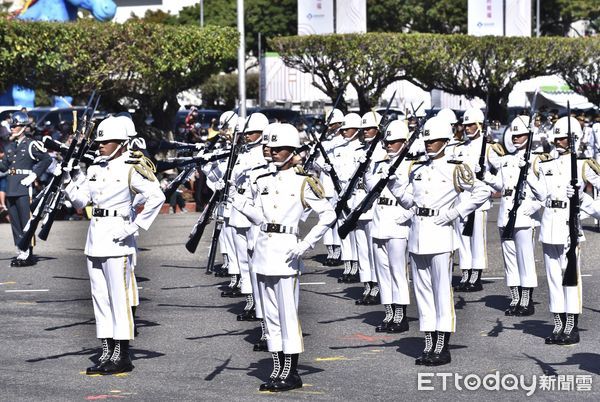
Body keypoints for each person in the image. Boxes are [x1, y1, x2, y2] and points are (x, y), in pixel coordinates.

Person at [231, 123, 335, 392]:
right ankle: (277, 368)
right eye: (269, 147)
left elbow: (328, 215)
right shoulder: (262, 180)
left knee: (287, 315)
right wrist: (237, 200)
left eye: (277, 148)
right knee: (269, 317)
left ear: (291, 151)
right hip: (264, 251)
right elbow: (260, 218)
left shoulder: (303, 182)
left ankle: (290, 372)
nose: (271, 151)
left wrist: (306, 244)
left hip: (287, 253)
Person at [58, 116, 165, 375]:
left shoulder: (130, 168)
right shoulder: (95, 168)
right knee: (100, 300)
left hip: (118, 240)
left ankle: (122, 354)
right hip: (95, 239)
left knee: (119, 299)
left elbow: (156, 196)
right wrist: (67, 179)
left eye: (105, 142)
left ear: (120, 143)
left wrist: (133, 227)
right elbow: (81, 202)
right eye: (99, 141)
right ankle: (106, 351)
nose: (100, 145)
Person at [388, 116, 489, 366]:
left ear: (444, 141)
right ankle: (429, 342)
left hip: (441, 234)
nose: (428, 144)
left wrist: (454, 213)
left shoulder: (455, 168)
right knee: (422, 293)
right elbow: (411, 202)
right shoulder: (418, 169)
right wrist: (394, 187)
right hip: (418, 235)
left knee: (441, 291)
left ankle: (442, 345)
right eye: (427, 140)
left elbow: (482, 191)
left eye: (433, 140)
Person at [528, 116, 600, 345]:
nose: (560, 142)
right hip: (549, 225)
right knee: (552, 278)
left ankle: (572, 324)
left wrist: (582, 196)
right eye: (558, 138)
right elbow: (541, 194)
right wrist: (527, 175)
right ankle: (558, 322)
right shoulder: (545, 165)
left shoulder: (582, 165)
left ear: (574, 139)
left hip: (568, 227)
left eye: (565, 138)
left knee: (570, 278)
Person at [480, 116, 542, 316]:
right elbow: (501, 185)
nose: (515, 138)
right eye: (514, 135)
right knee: (510, 260)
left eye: (520, 134)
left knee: (525, 259)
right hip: (505, 215)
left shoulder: (536, 160)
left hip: (523, 217)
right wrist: (485, 176)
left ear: (529, 135)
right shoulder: (507, 159)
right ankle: (515, 297)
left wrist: (530, 208)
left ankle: (526, 299)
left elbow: (544, 192)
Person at [365, 119, 413, 333]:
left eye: (393, 142)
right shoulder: (379, 164)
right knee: (383, 272)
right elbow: (369, 187)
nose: (388, 145)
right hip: (379, 221)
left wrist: (407, 215)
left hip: (398, 224)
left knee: (397, 271)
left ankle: (401, 315)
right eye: (387, 141)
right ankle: (389, 313)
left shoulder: (412, 165)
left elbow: (417, 198)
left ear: (404, 142)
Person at [0, 111, 51, 266]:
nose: (13, 128)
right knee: (15, 222)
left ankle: (28, 252)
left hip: (24, 187)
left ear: (23, 126)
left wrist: (34, 175)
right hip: (11, 187)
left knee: (26, 221)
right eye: (12, 126)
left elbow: (46, 159)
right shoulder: (10, 146)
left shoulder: (31, 144)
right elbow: (4, 166)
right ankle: (21, 251)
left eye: (15, 126)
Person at [449, 107, 492, 292]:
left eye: (470, 125)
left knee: (476, 241)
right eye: (465, 125)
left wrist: (486, 175)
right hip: (461, 199)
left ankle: (476, 275)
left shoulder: (489, 148)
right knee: (463, 239)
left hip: (478, 201)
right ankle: (466, 273)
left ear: (480, 126)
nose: (466, 128)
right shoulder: (459, 148)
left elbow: (502, 173)